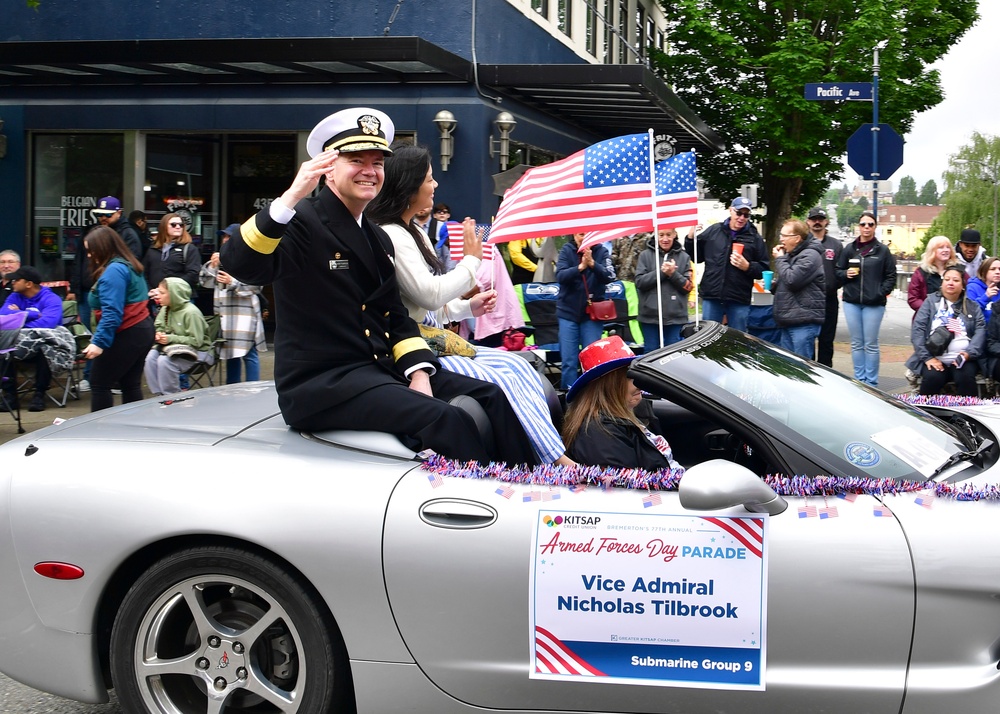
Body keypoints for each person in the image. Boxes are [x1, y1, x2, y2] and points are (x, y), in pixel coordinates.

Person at [220, 107, 537, 465]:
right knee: (445, 418)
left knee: (492, 395)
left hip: (375, 373)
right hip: (323, 386)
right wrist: (290, 197)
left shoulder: (376, 237)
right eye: (356, 160)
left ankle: (531, 483)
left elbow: (396, 317)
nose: (370, 171)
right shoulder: (301, 220)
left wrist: (419, 373)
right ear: (328, 169)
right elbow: (241, 265)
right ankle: (490, 504)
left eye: (378, 162)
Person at [365, 144, 572, 466]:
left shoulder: (412, 231)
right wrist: (471, 262)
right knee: (502, 380)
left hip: (430, 339)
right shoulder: (391, 233)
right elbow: (429, 295)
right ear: (408, 185)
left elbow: (427, 306)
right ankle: (550, 461)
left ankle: (553, 452)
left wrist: (467, 308)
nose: (434, 186)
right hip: (413, 351)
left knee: (518, 365)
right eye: (429, 179)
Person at [561, 335, 683, 471]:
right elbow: (627, 487)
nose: (639, 382)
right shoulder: (599, 434)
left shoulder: (631, 412)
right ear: (609, 386)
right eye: (630, 376)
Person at [81, 226, 155, 411]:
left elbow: (112, 313)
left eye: (91, 250)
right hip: (143, 329)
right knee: (130, 384)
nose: (89, 255)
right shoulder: (130, 265)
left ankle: (99, 432)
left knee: (99, 384)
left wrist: (98, 342)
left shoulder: (114, 271)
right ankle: (132, 431)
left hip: (126, 332)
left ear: (103, 247)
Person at [684, 196, 767, 332]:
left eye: (746, 215)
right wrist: (690, 238)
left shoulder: (754, 237)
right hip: (713, 295)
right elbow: (696, 257)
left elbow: (764, 268)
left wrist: (747, 266)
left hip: (738, 298)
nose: (741, 218)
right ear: (730, 210)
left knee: (738, 339)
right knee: (708, 336)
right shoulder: (714, 230)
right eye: (739, 213)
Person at [835, 211, 897, 386]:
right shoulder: (849, 249)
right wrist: (846, 274)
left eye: (870, 224)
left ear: (875, 227)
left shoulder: (882, 250)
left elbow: (891, 275)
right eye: (863, 224)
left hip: (874, 304)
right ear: (858, 227)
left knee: (870, 343)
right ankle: (859, 379)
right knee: (856, 342)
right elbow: (838, 271)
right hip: (852, 302)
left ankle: (871, 382)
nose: (866, 227)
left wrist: (881, 292)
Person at [200, 223, 267, 383]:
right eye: (224, 236)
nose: (225, 239)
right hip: (225, 315)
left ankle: (254, 390)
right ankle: (232, 391)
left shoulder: (252, 257)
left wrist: (233, 282)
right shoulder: (220, 257)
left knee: (249, 354)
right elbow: (204, 281)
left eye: (229, 236)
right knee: (230, 354)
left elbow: (258, 285)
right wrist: (212, 265)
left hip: (244, 315)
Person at [905, 265, 984, 396]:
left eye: (956, 280)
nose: (950, 283)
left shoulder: (972, 306)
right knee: (932, 378)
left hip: (963, 359)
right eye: (947, 279)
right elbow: (917, 331)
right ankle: (928, 414)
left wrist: (968, 354)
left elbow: (980, 332)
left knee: (965, 378)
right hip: (934, 356)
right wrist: (928, 358)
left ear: (963, 285)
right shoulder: (930, 302)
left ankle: (967, 415)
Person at [0, 266, 65, 412]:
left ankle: (39, 394)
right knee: (3, 346)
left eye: (16, 280)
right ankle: (10, 396)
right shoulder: (14, 296)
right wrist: (32, 314)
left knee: (46, 348)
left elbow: (47, 324)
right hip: (17, 344)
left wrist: (18, 316)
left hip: (45, 342)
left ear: (29, 284)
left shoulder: (51, 299)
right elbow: (3, 316)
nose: (12, 282)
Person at [556, 232, 615, 390]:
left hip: (592, 315)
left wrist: (593, 264)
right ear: (574, 235)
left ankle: (592, 399)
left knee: (592, 361)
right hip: (568, 313)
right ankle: (568, 401)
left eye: (587, 235)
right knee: (569, 362)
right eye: (580, 235)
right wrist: (580, 267)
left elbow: (610, 275)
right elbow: (560, 276)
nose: (583, 239)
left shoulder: (602, 251)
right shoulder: (567, 250)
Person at [144, 277, 213, 395]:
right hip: (173, 348)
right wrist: (159, 334)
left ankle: (171, 396)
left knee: (164, 361)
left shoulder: (191, 313)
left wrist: (170, 338)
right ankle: (158, 394)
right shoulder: (165, 309)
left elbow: (197, 341)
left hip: (199, 352)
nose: (158, 296)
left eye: (162, 293)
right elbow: (159, 326)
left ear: (174, 294)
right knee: (150, 358)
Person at [771, 220, 825, 359]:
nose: (781, 239)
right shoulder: (792, 254)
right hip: (788, 320)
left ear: (797, 239)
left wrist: (780, 259)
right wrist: (775, 285)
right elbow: (788, 280)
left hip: (803, 322)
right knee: (788, 369)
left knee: (802, 371)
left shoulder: (810, 255)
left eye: (784, 235)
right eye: (781, 235)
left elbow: (792, 280)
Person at [633, 227, 693, 349]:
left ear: (674, 235)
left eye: (668, 235)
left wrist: (673, 274)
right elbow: (639, 282)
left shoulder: (684, 257)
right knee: (650, 354)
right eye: (661, 235)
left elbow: (688, 287)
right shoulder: (645, 255)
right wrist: (661, 272)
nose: (665, 239)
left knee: (673, 356)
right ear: (656, 236)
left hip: (675, 318)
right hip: (650, 317)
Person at [806, 207, 842, 366]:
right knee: (808, 341)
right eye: (814, 219)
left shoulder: (835, 245)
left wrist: (833, 284)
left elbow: (841, 271)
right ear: (808, 222)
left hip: (829, 300)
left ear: (826, 222)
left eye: (820, 219)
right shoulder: (802, 243)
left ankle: (827, 376)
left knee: (827, 341)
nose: (817, 222)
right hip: (806, 300)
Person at [141, 214, 202, 294]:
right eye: (173, 224)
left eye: (181, 225)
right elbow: (144, 273)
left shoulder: (189, 248)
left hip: (180, 298)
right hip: (156, 298)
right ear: (164, 227)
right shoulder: (153, 248)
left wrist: (168, 290)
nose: (178, 227)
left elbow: (193, 275)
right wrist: (151, 290)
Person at [908, 236, 956, 315]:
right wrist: (930, 309)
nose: (946, 250)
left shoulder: (958, 270)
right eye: (941, 247)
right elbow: (913, 298)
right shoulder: (921, 272)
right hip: (927, 319)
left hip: (954, 318)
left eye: (948, 247)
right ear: (932, 251)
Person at [966, 256, 1000, 322]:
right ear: (983, 272)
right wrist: (986, 297)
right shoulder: (972, 287)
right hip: (980, 329)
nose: (998, 272)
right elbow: (970, 313)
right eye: (993, 269)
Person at [427, 202, 453, 271]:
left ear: (448, 215)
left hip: (447, 245)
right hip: (435, 245)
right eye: (439, 212)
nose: (442, 214)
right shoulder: (430, 226)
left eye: (444, 212)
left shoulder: (453, 225)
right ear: (434, 215)